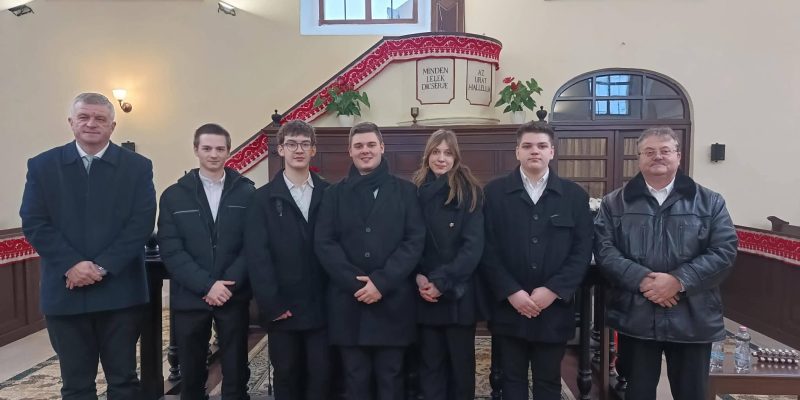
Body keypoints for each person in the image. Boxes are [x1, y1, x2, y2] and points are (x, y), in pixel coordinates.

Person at [20, 92, 156, 399]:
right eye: (84, 117)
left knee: (124, 382)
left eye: (100, 118)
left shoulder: (137, 166)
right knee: (76, 385)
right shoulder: (43, 166)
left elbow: (141, 223)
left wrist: (101, 266)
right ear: (71, 122)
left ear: (112, 126)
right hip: (65, 292)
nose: (91, 123)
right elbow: (34, 221)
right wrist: (72, 264)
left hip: (120, 292)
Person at [594, 126, 738, 400]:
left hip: (692, 315)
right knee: (637, 391)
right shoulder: (615, 203)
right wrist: (642, 280)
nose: (657, 156)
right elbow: (604, 250)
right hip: (636, 314)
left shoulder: (709, 202)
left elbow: (724, 250)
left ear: (678, 156)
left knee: (692, 393)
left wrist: (678, 281)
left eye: (665, 151)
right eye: (649, 152)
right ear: (639, 158)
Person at [481, 121, 593, 400]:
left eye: (542, 146)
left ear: (552, 151)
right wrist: (511, 291)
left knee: (548, 381)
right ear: (517, 151)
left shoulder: (574, 196)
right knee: (511, 380)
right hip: (509, 307)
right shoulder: (493, 193)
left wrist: (553, 290)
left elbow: (582, 251)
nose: (535, 151)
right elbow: (486, 249)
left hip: (554, 309)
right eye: (528, 146)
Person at [314, 121, 425, 400]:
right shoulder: (333, 194)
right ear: (350, 151)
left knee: (392, 378)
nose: (365, 150)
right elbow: (325, 243)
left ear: (382, 148)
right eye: (359, 146)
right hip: (348, 302)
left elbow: (413, 241)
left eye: (371, 144)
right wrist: (357, 284)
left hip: (393, 300)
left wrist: (381, 283)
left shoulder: (406, 191)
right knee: (355, 379)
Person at [157, 123, 254, 400]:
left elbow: (252, 245)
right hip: (191, 295)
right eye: (207, 148)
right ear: (196, 150)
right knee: (190, 371)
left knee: (236, 368)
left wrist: (227, 284)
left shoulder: (247, 193)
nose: (213, 154)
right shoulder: (174, 195)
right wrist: (207, 285)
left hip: (232, 294)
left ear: (228, 151)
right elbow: (171, 249)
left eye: (220, 149)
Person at [245, 120, 331, 400]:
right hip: (283, 308)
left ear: (313, 150)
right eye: (292, 144)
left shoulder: (330, 193)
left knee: (322, 376)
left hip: (322, 306)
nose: (298, 150)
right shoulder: (262, 199)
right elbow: (258, 256)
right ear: (280, 149)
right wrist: (272, 305)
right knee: (287, 375)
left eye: (305, 144)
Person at [411, 129, 485, 400]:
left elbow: (472, 248)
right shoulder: (415, 191)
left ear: (456, 157)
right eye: (436, 152)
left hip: (457, 292)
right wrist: (418, 277)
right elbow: (409, 240)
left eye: (447, 153)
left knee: (460, 368)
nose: (441, 158)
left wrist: (441, 282)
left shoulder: (470, 192)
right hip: (423, 292)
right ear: (427, 156)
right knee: (429, 367)